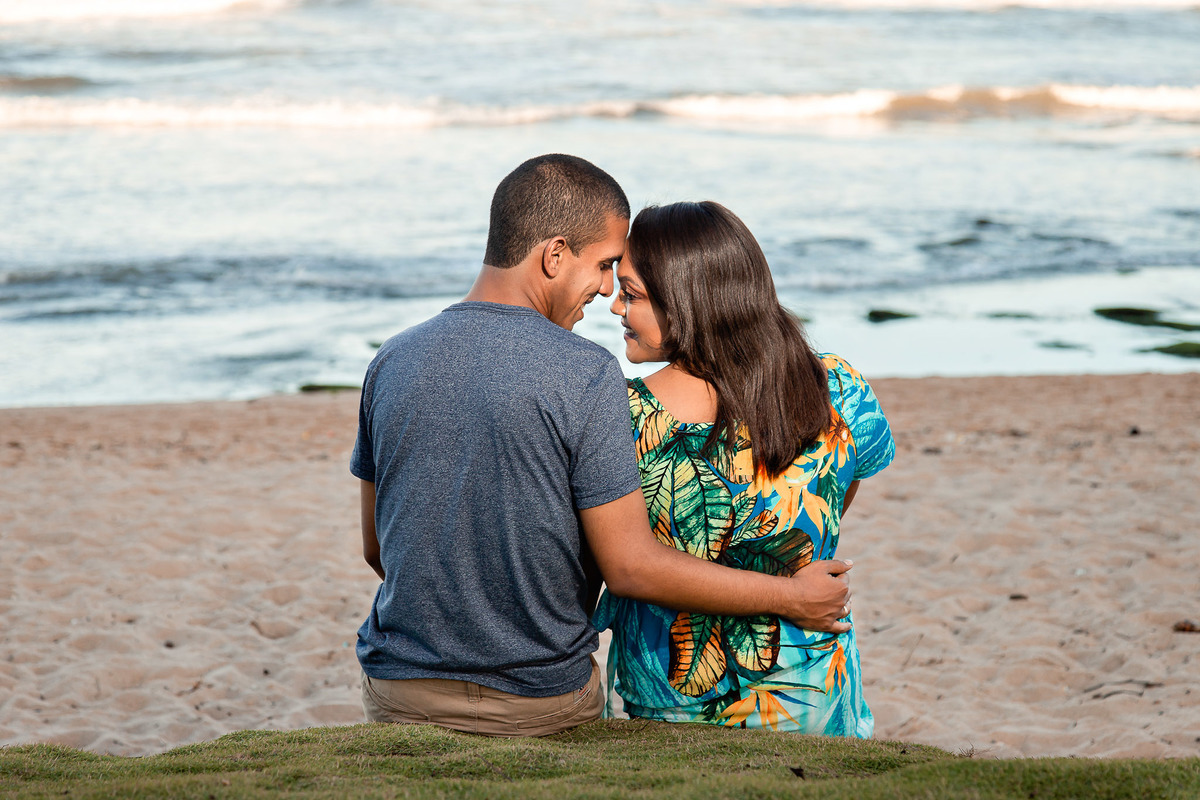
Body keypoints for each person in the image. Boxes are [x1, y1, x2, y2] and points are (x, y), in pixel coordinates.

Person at [350, 155, 856, 737]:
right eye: (605, 265)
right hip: (540, 698)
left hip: (398, 686)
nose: (607, 289)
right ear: (554, 254)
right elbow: (630, 565)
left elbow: (378, 547)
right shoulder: (586, 373)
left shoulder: (390, 361)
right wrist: (790, 596)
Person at [595, 200, 895, 736]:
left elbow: (628, 564)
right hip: (812, 695)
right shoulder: (839, 387)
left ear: (687, 300)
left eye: (632, 293)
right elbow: (836, 495)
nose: (616, 307)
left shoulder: (626, 417)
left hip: (677, 707)